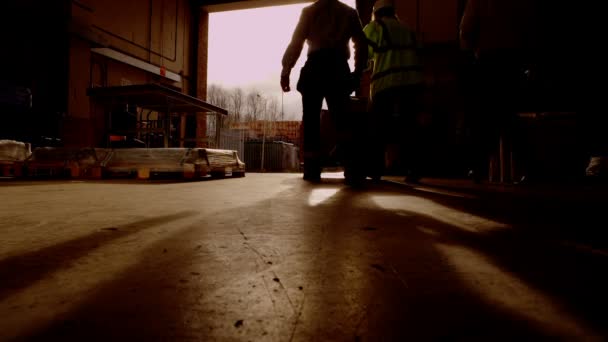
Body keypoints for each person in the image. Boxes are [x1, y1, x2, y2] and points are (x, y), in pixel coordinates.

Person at [281, 0, 368, 184]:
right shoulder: (348, 12)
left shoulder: (309, 12)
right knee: (342, 120)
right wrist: (358, 73)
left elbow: (296, 42)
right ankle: (351, 169)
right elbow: (362, 43)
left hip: (315, 68)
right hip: (338, 69)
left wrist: (286, 69)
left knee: (311, 119)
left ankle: (312, 170)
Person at [459, 0, 536, 183]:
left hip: (488, 61)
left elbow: (467, 29)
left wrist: (471, 49)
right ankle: (528, 166)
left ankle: (479, 168)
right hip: (513, 62)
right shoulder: (517, 4)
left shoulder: (478, 1)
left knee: (486, 117)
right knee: (510, 116)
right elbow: (528, 28)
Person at [363, 0, 424, 183]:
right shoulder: (407, 29)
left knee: (378, 128)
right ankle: (414, 170)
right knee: (410, 127)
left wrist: (362, 69)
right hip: (412, 84)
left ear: (376, 13)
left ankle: (374, 170)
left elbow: (364, 54)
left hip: (386, 84)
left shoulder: (374, 28)